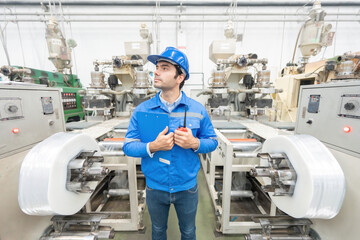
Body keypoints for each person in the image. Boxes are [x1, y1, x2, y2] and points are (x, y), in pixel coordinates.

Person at [123, 46, 218, 240]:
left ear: (180, 77)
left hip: (187, 187)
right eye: (157, 67)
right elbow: (128, 146)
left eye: (164, 68)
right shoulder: (142, 110)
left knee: (189, 232)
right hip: (155, 187)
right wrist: (152, 146)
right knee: (158, 231)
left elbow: (212, 142)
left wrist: (194, 143)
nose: (156, 71)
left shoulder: (197, 109)